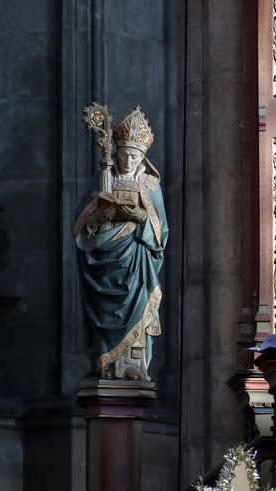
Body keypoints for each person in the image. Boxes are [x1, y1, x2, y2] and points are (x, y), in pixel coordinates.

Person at [73, 107, 168, 380]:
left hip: (135, 261)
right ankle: (105, 363)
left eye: (134, 156)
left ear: (143, 157)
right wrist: (99, 217)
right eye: (125, 154)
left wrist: (139, 216)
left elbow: (162, 232)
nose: (128, 160)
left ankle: (132, 367)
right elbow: (82, 225)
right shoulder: (105, 178)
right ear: (117, 153)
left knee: (137, 309)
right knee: (104, 315)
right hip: (105, 261)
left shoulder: (150, 185)